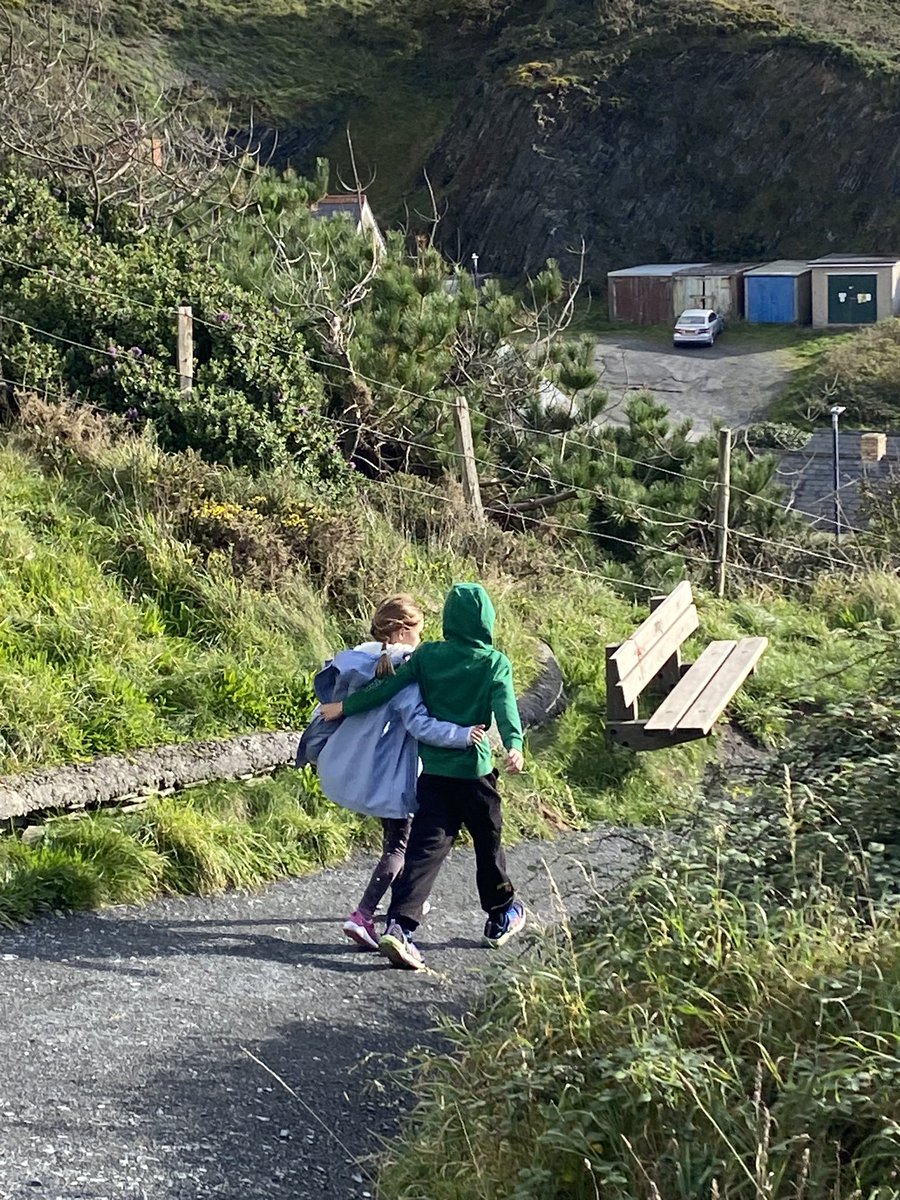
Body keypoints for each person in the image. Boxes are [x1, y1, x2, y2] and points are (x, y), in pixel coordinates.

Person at [320, 582, 526, 971]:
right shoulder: (494, 661)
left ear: (449, 619)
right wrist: (514, 745)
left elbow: (386, 689)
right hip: (475, 774)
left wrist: (343, 707)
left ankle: (399, 929)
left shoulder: (428, 655)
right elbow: (505, 706)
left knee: (423, 854)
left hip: (432, 776)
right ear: (486, 621)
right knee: (489, 845)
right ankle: (501, 917)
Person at [298, 594, 484, 950]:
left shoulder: (362, 659)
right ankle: (363, 916)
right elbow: (418, 724)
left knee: (395, 842)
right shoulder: (404, 673)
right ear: (401, 632)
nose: (421, 641)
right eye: (418, 633)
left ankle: (407, 901)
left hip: (363, 768)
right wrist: (460, 735)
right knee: (401, 847)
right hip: (395, 773)